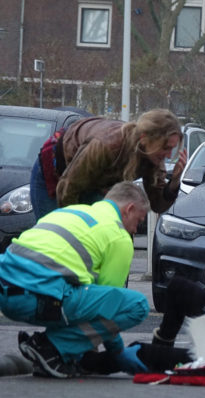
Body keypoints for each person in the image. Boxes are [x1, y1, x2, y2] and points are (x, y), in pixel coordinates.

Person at [0, 181, 151, 378]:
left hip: (7, 293)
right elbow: (109, 309)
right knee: (137, 305)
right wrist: (118, 353)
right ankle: (50, 348)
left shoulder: (71, 212)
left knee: (73, 290)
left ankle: (48, 347)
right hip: (38, 298)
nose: (135, 230)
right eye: (138, 222)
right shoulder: (118, 236)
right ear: (129, 209)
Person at [29, 108, 187, 220]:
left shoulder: (153, 156)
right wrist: (75, 230)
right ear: (144, 138)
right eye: (165, 148)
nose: (168, 155)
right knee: (56, 239)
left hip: (92, 185)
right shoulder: (107, 145)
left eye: (172, 149)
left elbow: (157, 205)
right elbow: (67, 190)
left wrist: (174, 182)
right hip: (56, 174)